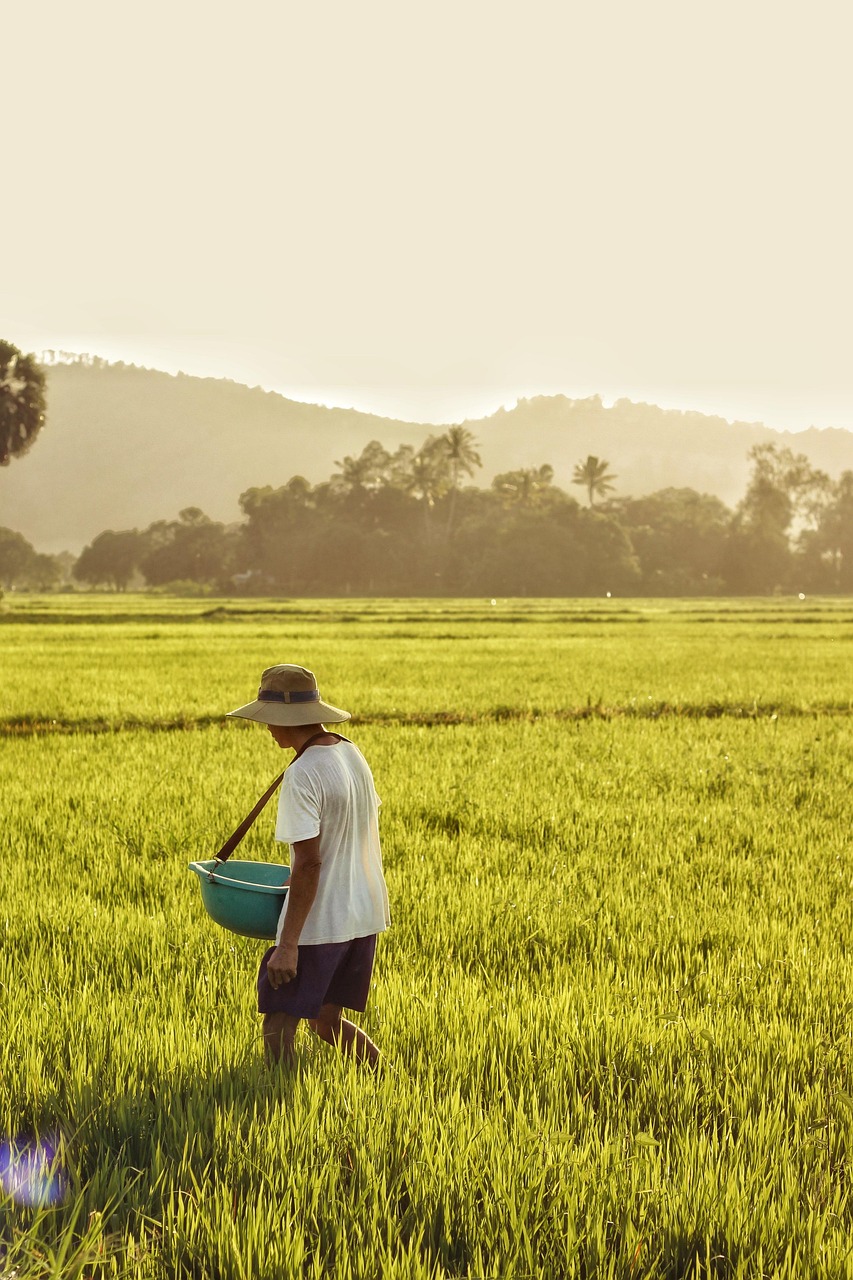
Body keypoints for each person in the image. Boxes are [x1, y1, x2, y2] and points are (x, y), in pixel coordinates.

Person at [227, 664, 390, 1068]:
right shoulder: (349, 751)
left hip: (323, 921)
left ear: (285, 720)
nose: (266, 728)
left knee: (279, 1019)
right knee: (326, 1020)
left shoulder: (303, 773)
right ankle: (388, 1079)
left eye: (268, 719)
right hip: (363, 914)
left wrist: (287, 945)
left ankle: (277, 1105)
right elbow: (349, 833)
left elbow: (310, 863)